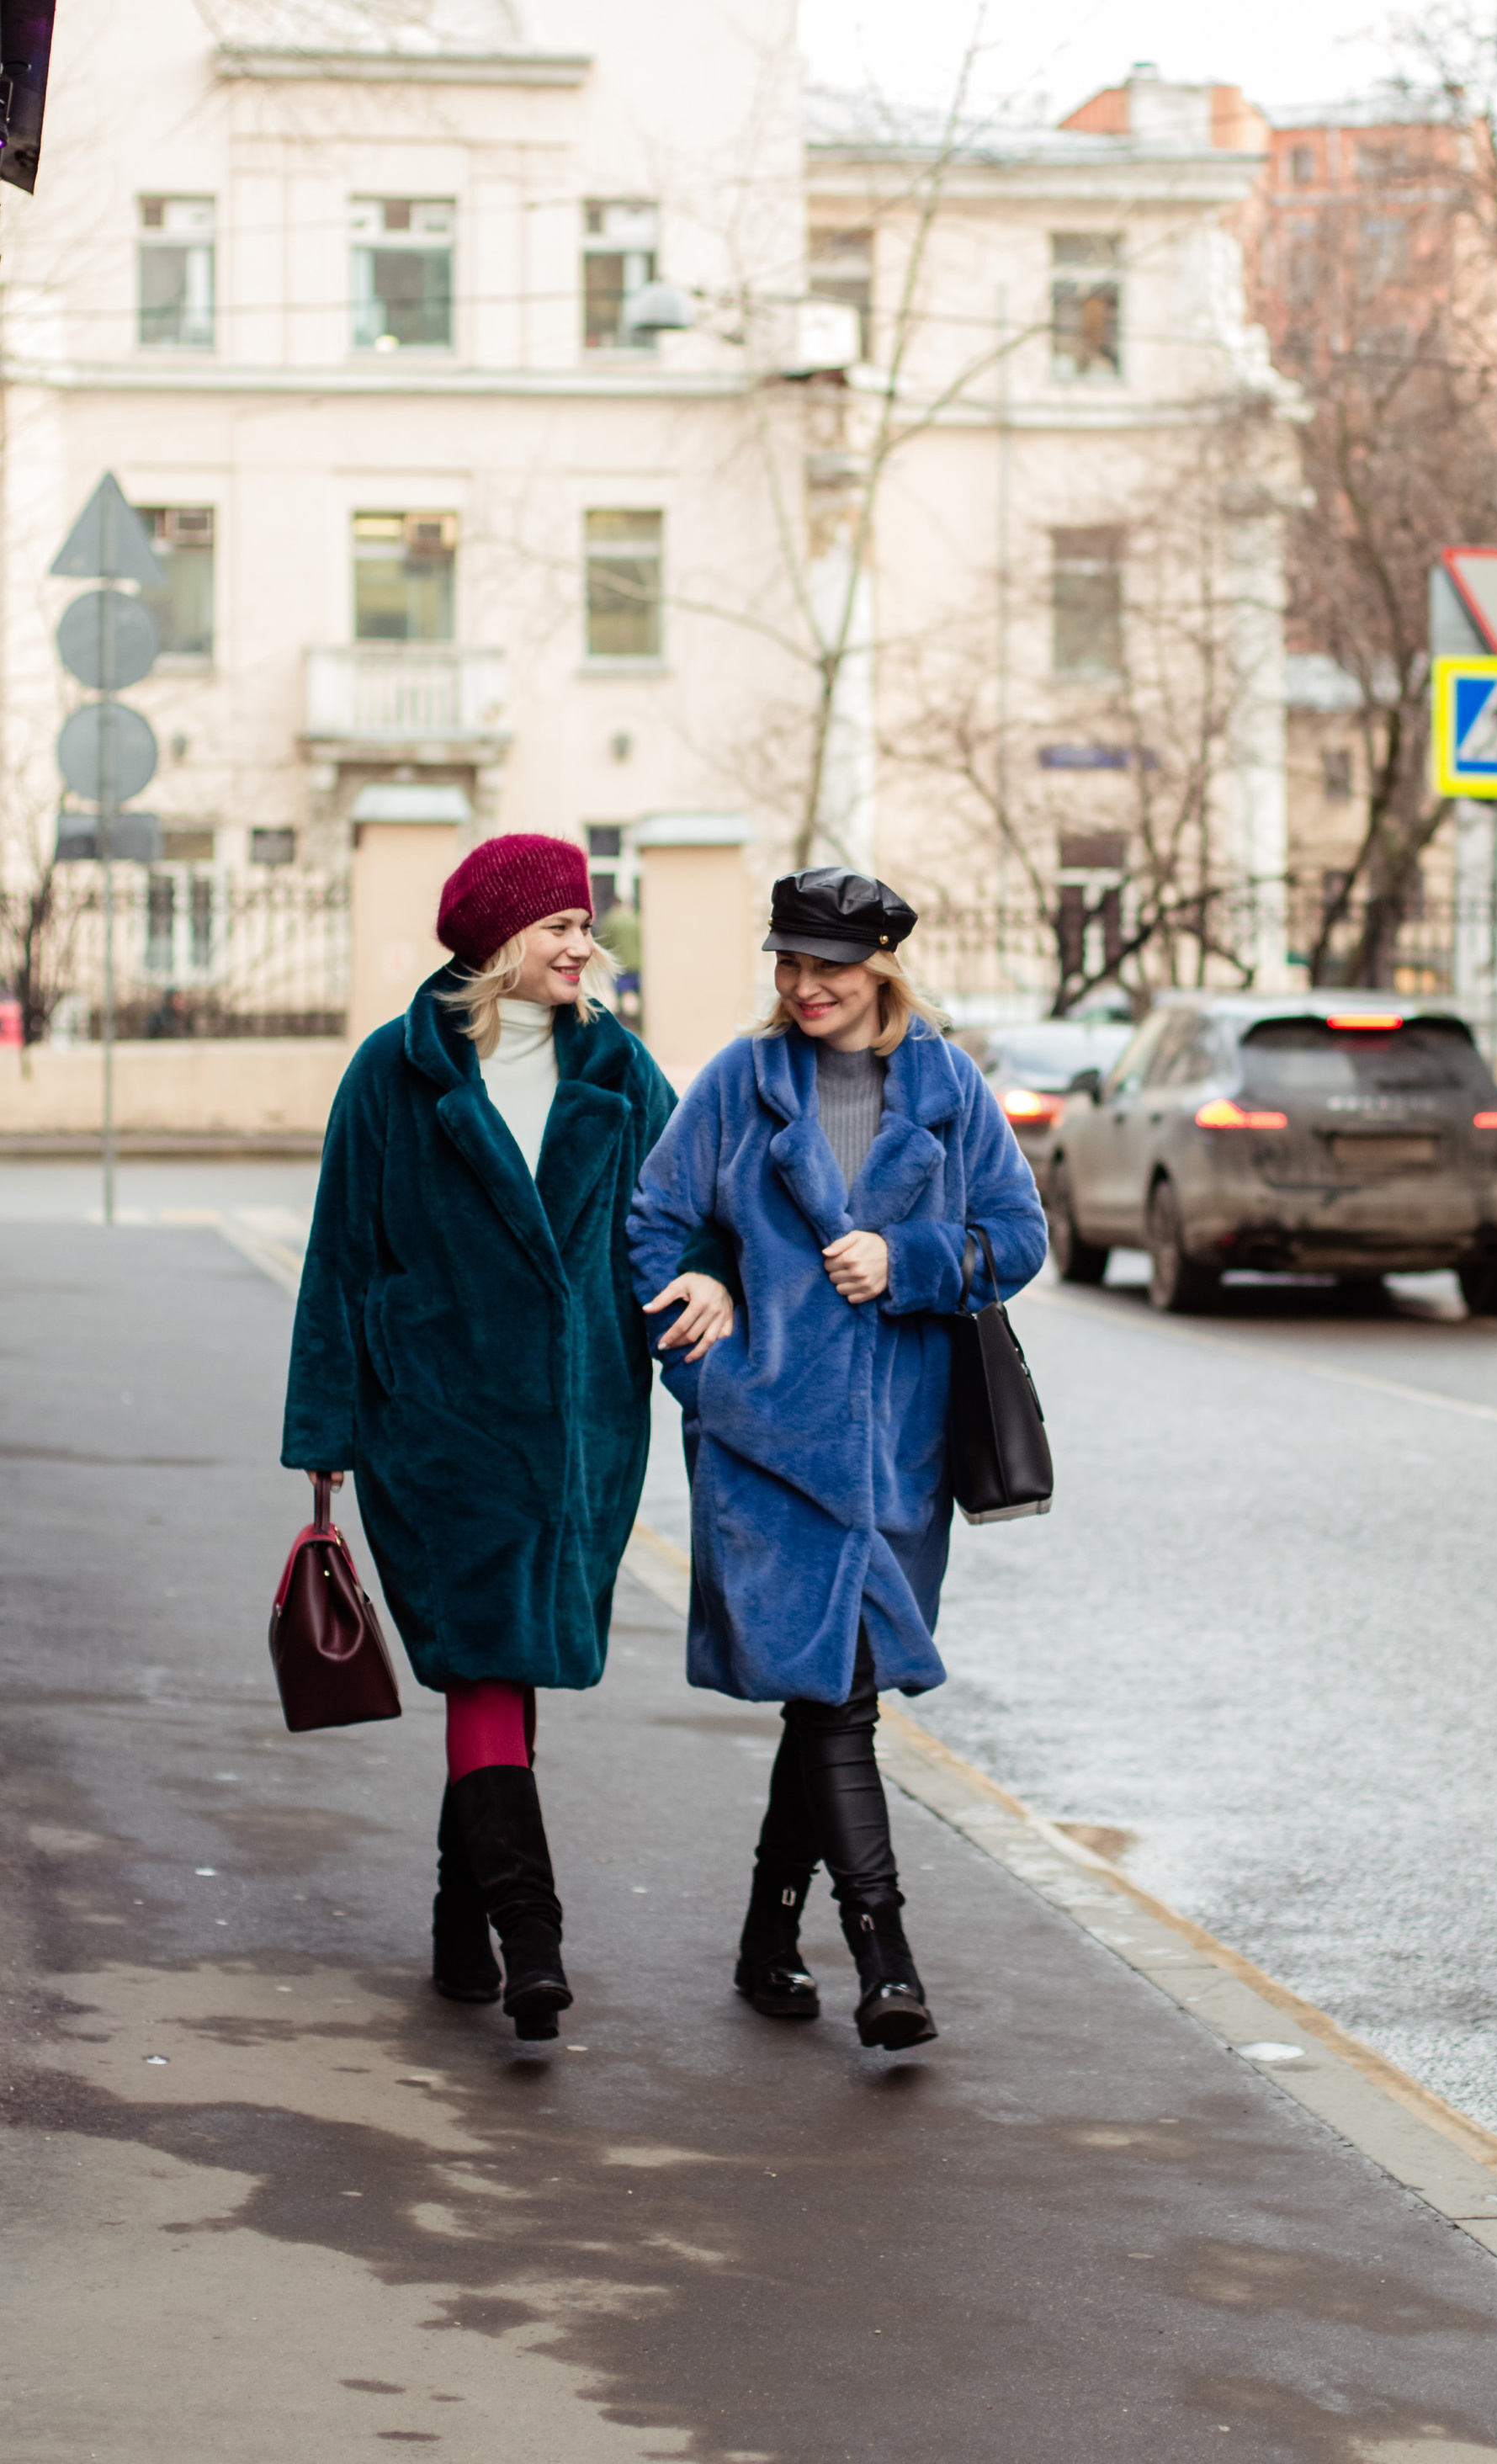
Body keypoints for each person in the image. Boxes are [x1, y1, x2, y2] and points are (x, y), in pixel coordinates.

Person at [628, 864, 1047, 2051]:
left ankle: (769, 1936)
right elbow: (655, 1223)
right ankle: (886, 1955)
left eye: (829, 964)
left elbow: (1018, 1238)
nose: (805, 985)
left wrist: (910, 1260)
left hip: (899, 1457)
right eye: (789, 962)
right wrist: (707, 1339)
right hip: (766, 1450)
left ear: (881, 968)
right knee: (842, 1706)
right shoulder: (736, 1085)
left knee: (830, 1696)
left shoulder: (948, 1087)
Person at [280, 833, 676, 2047]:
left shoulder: (621, 1072)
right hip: (437, 1423)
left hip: (579, 1428)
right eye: (559, 926)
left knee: (512, 1655)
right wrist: (327, 1427)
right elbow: (342, 1254)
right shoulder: (394, 1077)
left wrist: (710, 1297)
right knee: (488, 1654)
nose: (582, 947)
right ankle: (531, 1936)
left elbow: (679, 1220)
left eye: (586, 927)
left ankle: (463, 1918)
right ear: (498, 941)